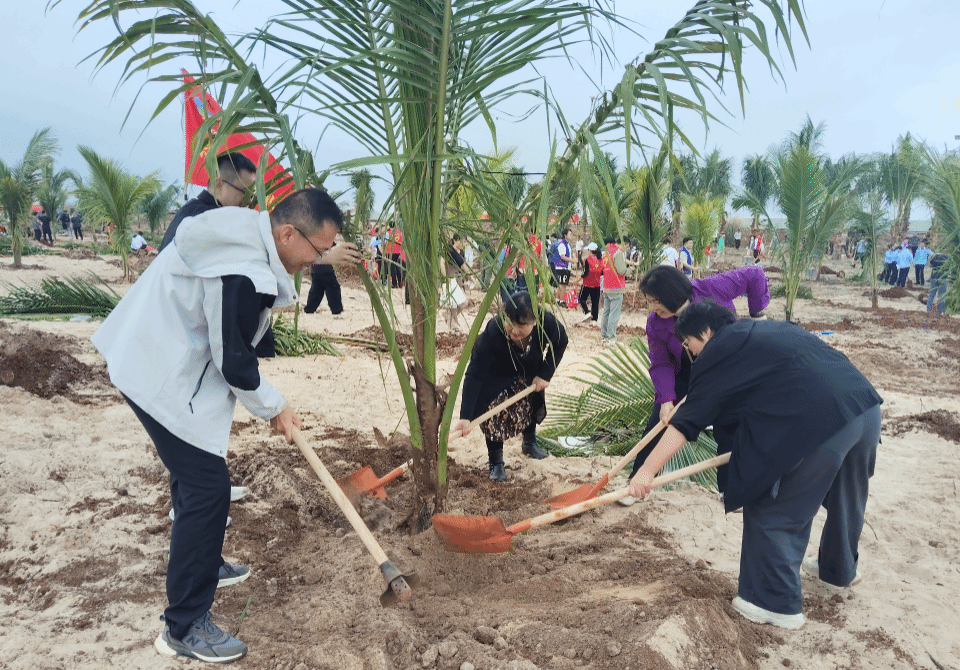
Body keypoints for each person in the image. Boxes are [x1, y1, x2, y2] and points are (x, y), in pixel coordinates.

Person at [92, 189, 348, 663]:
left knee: (197, 482)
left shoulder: (247, 233)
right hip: (158, 373)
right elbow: (234, 361)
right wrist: (275, 407)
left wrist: (271, 403)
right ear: (287, 233)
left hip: (155, 356)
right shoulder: (243, 268)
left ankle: (203, 562)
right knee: (208, 490)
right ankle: (184, 627)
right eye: (317, 251)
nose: (315, 262)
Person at [628, 301, 882, 631]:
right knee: (845, 496)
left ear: (706, 333)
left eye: (689, 344)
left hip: (820, 421)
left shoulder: (719, 351)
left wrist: (646, 471)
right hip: (864, 409)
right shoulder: (766, 331)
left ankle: (773, 604)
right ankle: (838, 569)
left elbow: (686, 424)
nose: (691, 354)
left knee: (774, 505)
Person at [623, 264, 769, 504]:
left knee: (729, 426)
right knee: (659, 423)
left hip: (725, 369)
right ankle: (637, 483)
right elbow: (661, 363)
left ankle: (731, 490)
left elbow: (755, 274)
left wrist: (758, 318)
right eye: (649, 302)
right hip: (684, 373)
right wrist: (666, 399)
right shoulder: (655, 323)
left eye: (656, 301)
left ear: (671, 293)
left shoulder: (712, 288)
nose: (653, 308)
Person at [453, 291, 568, 481]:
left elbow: (561, 341)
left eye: (521, 326)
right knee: (494, 415)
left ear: (534, 322)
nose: (514, 330)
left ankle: (529, 444)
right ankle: (496, 463)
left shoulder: (546, 322)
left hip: (529, 372)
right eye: (510, 322)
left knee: (530, 404)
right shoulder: (493, 331)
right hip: (496, 376)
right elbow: (474, 372)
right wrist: (466, 416)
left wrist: (545, 374)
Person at [159, 152, 258, 252]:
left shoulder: (190, 210)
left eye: (251, 195)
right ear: (219, 185)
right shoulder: (209, 218)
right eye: (245, 192)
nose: (249, 201)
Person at [599, 236, 628, 346]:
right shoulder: (618, 252)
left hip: (606, 285)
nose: (626, 249)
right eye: (627, 247)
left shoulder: (606, 252)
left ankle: (604, 335)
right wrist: (630, 271)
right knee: (614, 313)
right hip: (616, 286)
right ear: (624, 244)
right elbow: (621, 270)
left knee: (606, 312)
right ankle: (611, 337)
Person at [440, 233, 469, 331]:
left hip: (460, 279)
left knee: (463, 302)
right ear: (455, 240)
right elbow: (442, 262)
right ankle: (454, 325)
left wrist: (469, 277)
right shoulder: (449, 250)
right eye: (460, 241)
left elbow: (463, 266)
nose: (462, 243)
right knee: (453, 304)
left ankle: (448, 317)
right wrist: (446, 276)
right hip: (451, 278)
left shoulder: (462, 252)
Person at [578, 242, 602, 325]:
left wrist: (578, 280)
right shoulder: (600, 260)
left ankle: (587, 312)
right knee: (595, 302)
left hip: (587, 284)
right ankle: (594, 320)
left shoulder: (587, 260)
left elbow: (585, 273)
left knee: (581, 299)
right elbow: (602, 272)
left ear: (590, 251)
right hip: (597, 284)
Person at [551, 227, 574, 305]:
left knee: (561, 284)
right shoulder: (562, 244)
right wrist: (573, 260)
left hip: (565, 267)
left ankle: (558, 299)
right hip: (562, 267)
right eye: (570, 234)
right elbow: (562, 256)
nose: (571, 236)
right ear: (565, 235)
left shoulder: (567, 244)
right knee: (563, 285)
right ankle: (562, 301)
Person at [926, 249, 951, 314]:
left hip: (934, 277)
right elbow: (950, 267)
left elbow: (930, 265)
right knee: (941, 295)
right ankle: (940, 311)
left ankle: (928, 310)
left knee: (931, 294)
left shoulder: (935, 257)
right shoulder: (947, 258)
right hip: (943, 278)